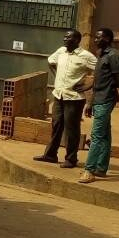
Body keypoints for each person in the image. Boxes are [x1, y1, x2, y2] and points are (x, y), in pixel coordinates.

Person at [33, 29, 96, 168]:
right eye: (65, 37)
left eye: (69, 38)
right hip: (59, 95)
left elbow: (101, 70)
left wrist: (88, 85)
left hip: (74, 98)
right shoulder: (61, 51)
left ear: (77, 40)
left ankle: (71, 159)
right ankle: (50, 155)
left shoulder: (86, 56)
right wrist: (57, 76)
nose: (65, 39)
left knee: (71, 129)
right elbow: (51, 61)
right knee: (56, 125)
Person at [79, 28, 119, 184]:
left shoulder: (113, 56)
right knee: (104, 134)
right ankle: (101, 168)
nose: (96, 40)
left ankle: (89, 170)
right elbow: (97, 81)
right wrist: (90, 102)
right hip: (98, 99)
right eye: (96, 37)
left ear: (108, 38)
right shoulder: (101, 55)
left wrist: (108, 86)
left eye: (100, 37)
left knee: (97, 135)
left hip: (106, 99)